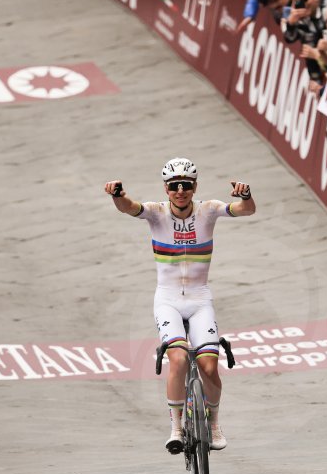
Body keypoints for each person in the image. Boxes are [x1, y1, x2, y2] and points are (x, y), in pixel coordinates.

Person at [103, 158, 256, 453]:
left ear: (195, 186)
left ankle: (213, 425)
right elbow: (128, 206)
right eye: (175, 186)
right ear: (166, 189)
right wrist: (117, 195)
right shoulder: (156, 212)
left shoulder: (208, 209)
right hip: (168, 300)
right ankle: (175, 427)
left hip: (199, 299)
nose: (181, 191)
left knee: (209, 366)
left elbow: (246, 210)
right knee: (178, 358)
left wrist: (246, 196)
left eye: (187, 185)